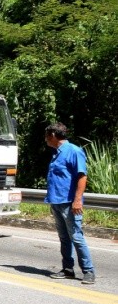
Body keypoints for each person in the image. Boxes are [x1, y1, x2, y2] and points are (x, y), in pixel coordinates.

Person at [43, 122, 95, 285]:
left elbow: (82, 176)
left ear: (52, 135)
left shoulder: (73, 151)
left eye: (46, 136)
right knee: (64, 238)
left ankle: (88, 271)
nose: (45, 140)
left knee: (77, 237)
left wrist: (77, 200)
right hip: (57, 202)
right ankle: (67, 269)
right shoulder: (56, 153)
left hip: (69, 203)